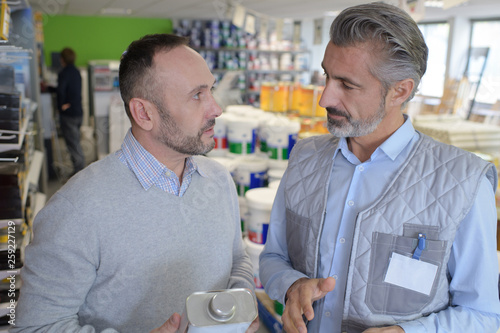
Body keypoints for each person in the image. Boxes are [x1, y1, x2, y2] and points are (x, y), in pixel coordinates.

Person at [259, 3, 500, 333]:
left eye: (347, 84)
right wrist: (291, 284)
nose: (325, 98)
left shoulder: (464, 182)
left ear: (400, 91)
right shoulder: (304, 158)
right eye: (327, 77)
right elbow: (273, 257)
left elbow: (484, 314)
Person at [13, 34, 258, 333]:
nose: (216, 108)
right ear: (144, 113)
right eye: (197, 95)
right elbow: (35, 328)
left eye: (212, 90)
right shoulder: (75, 209)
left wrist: (239, 304)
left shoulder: (218, 180)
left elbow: (236, 258)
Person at [56, 47, 85, 176]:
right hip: (78, 112)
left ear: (62, 59)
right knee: (76, 142)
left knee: (73, 145)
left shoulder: (63, 73)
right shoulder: (77, 72)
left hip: (69, 115)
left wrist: (61, 105)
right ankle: (79, 171)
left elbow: (61, 91)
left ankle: (79, 174)